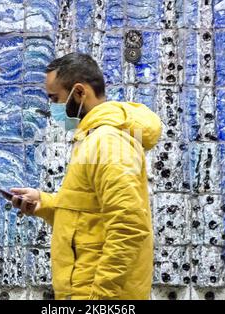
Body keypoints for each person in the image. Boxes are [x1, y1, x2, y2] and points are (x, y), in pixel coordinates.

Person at [11, 53, 162, 300]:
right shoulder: (93, 139)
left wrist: (100, 298)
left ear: (79, 92)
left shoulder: (107, 141)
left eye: (55, 98)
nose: (52, 108)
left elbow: (129, 226)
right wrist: (43, 203)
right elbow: (88, 216)